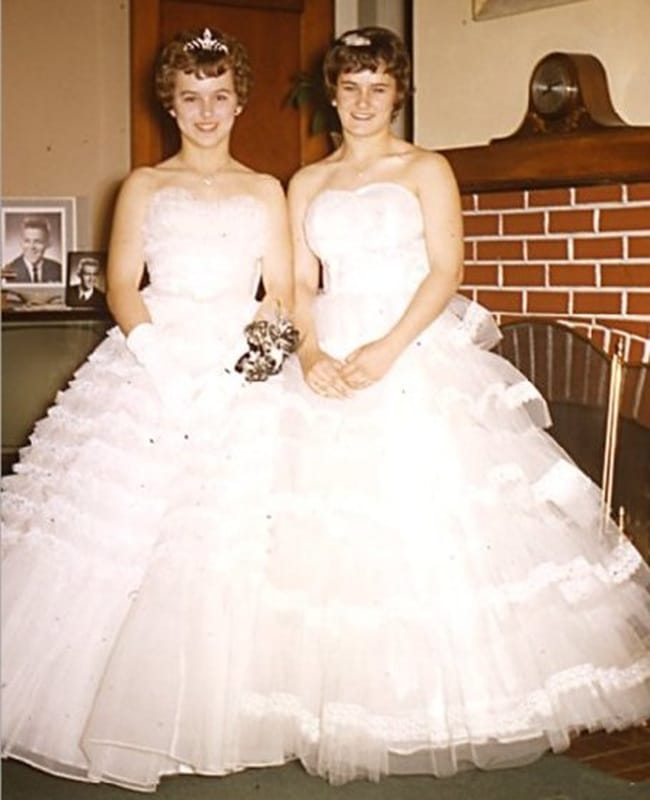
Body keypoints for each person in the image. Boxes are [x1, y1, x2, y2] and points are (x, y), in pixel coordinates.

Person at [280, 26, 650, 783]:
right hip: (330, 353)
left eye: (376, 87)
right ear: (332, 94)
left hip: (409, 347)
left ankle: (458, 704)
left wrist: (387, 349)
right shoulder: (305, 183)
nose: (361, 102)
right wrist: (312, 353)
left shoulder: (427, 168)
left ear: (397, 94)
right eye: (349, 87)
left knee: (431, 520)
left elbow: (446, 271)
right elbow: (299, 285)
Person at [2, 27, 296, 791]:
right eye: (191, 98)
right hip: (153, 364)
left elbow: (282, 293)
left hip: (238, 373)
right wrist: (166, 364)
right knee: (117, 531)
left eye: (220, 97)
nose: (207, 113)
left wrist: (246, 368)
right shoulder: (143, 184)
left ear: (240, 102)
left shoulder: (267, 189)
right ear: (171, 102)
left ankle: (214, 713)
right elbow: (122, 286)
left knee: (229, 535)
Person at [2, 215, 62, 283]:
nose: (32, 247)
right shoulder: (9, 271)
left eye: (37, 241)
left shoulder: (58, 270)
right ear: (21, 243)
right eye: (27, 241)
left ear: (48, 243)